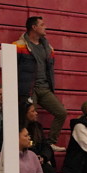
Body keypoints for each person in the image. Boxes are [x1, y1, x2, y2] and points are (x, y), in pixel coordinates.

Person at [14, 16, 66, 149]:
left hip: (45, 88)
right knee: (28, 117)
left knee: (61, 112)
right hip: (29, 88)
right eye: (42, 25)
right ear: (34, 27)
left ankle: (49, 143)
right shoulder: (18, 45)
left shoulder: (48, 48)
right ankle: (28, 145)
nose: (45, 27)